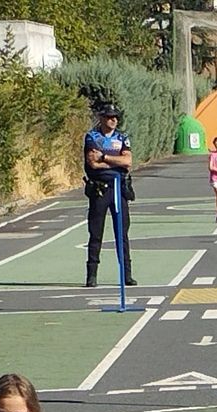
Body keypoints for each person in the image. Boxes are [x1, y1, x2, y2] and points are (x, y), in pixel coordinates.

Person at [83, 103, 135, 288]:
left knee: (122, 233)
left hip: (119, 188)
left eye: (116, 117)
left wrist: (105, 158)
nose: (114, 120)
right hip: (99, 189)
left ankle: (126, 275)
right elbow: (93, 163)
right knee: (96, 233)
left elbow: (128, 162)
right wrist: (116, 163)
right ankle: (92, 275)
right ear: (102, 118)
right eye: (110, 117)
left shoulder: (122, 137)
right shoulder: (92, 137)